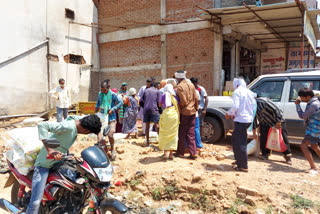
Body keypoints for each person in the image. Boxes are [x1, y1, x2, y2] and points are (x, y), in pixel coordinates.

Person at [26, 115, 102, 214]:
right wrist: (50, 150)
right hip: (44, 164)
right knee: (36, 202)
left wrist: (99, 136)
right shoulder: (68, 127)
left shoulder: (77, 120)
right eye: (89, 133)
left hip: (60, 160)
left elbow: (91, 119)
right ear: (86, 130)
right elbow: (42, 125)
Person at [226, 78, 256, 172]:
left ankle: (243, 166)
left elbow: (235, 106)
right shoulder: (249, 92)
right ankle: (239, 161)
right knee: (236, 140)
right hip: (247, 119)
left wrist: (229, 113)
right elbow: (252, 106)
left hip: (241, 120)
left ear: (236, 85)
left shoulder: (237, 92)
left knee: (240, 143)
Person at [252, 97, 292, 164]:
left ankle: (287, 156)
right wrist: (254, 133)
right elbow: (254, 119)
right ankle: (265, 154)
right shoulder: (250, 107)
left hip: (276, 120)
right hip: (265, 122)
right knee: (263, 138)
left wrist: (278, 122)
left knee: (283, 139)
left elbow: (276, 110)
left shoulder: (263, 102)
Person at [95, 81, 123, 160]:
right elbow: (98, 103)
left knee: (110, 134)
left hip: (111, 117)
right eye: (102, 90)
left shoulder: (113, 95)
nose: (103, 92)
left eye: (105, 90)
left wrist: (113, 109)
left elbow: (121, 103)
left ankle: (112, 149)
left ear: (108, 88)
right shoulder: (100, 94)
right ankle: (103, 152)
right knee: (100, 135)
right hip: (102, 117)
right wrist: (96, 109)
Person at [175, 70, 199, 159]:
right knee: (191, 133)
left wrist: (180, 108)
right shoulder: (191, 84)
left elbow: (183, 101)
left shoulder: (180, 87)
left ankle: (180, 153)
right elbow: (196, 98)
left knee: (182, 133)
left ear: (178, 78)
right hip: (193, 111)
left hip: (185, 112)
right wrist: (195, 108)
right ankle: (193, 153)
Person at [295, 88, 320, 174]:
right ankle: (313, 167)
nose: (301, 99)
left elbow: (302, 115)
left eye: (302, 97)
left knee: (303, 146)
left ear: (308, 96)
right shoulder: (314, 102)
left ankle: (313, 167)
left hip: (314, 129)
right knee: (314, 146)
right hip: (315, 128)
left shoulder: (313, 105)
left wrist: (297, 105)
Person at [159, 84, 180, 160]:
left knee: (165, 133)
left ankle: (165, 153)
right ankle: (171, 154)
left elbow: (160, 104)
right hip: (174, 116)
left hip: (165, 115)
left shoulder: (163, 96)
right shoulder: (175, 97)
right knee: (173, 134)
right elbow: (178, 107)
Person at [140, 82, 161, 146]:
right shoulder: (157, 91)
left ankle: (147, 142)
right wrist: (160, 110)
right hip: (154, 109)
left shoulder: (145, 91)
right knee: (157, 125)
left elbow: (140, 101)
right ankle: (161, 142)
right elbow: (159, 102)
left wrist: (144, 106)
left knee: (147, 126)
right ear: (156, 86)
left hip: (146, 110)